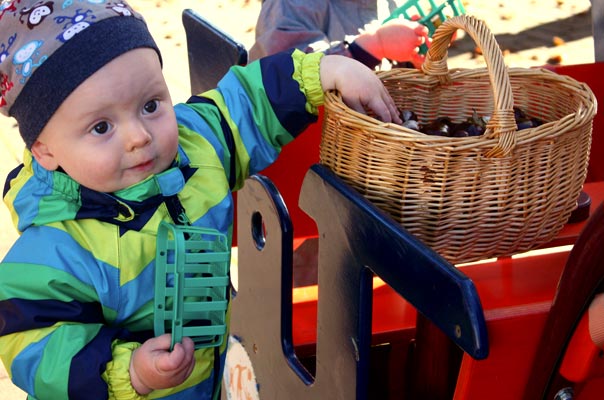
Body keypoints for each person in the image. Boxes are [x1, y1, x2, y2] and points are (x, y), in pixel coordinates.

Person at [0, 0, 401, 399]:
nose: (139, 136)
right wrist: (130, 372)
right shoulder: (54, 248)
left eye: (151, 105)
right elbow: (31, 345)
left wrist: (325, 70)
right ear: (44, 151)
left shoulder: (197, 145)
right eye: (101, 127)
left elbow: (248, 102)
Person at [249, 0, 432, 69]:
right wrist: (375, 45)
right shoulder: (290, 6)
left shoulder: (383, 3)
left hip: (371, 133)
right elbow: (287, 73)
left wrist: (409, 54)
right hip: (310, 140)